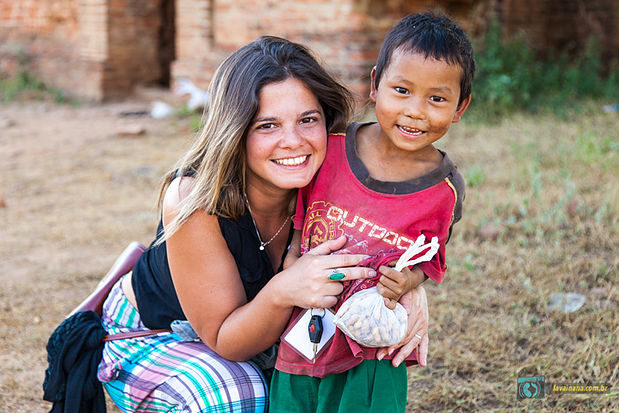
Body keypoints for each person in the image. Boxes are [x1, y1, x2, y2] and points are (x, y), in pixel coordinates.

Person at [96, 36, 430, 413]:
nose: (293, 142)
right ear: (235, 132)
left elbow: (388, 248)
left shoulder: (336, 183)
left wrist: (408, 286)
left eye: (308, 120)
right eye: (267, 125)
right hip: (158, 332)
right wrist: (284, 289)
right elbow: (226, 340)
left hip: (261, 335)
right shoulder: (195, 199)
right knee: (244, 397)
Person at [270, 12, 475, 412]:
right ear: (375, 83)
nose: (416, 111)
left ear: (460, 107)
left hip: (374, 351)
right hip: (303, 334)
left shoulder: (442, 192)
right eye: (401, 90)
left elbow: (429, 261)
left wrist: (408, 280)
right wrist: (293, 264)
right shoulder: (329, 150)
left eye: (437, 98)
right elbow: (298, 224)